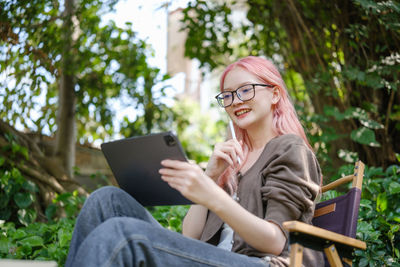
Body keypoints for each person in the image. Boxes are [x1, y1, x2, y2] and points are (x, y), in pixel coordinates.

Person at [66, 56, 324, 267]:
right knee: (106, 199)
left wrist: (213, 195)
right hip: (212, 259)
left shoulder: (290, 148)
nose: (236, 101)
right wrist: (210, 176)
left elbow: (276, 241)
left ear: (275, 94)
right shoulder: (233, 160)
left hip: (258, 262)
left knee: (123, 235)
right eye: (228, 95)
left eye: (246, 90)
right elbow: (189, 237)